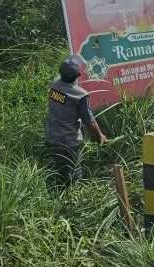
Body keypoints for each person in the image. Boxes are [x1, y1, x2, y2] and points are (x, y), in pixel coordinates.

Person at [45, 56, 108, 187]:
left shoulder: (54, 86)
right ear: (77, 76)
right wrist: (100, 137)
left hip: (52, 138)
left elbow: (63, 103)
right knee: (74, 177)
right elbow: (89, 121)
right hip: (69, 142)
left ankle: (59, 198)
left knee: (60, 174)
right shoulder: (80, 95)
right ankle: (71, 202)